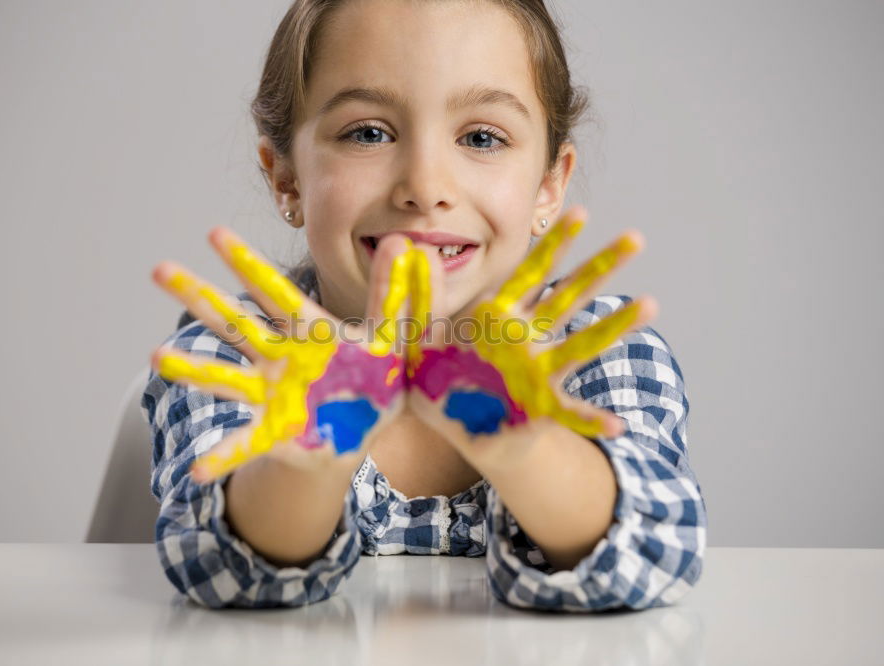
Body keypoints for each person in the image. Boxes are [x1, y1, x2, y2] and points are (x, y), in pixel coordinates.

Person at [141, 0, 706, 612]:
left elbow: (660, 556)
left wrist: (523, 445)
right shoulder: (236, 352)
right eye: (368, 133)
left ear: (549, 184)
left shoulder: (599, 349)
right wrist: (311, 453)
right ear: (288, 180)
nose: (426, 187)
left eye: (482, 137)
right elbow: (214, 572)